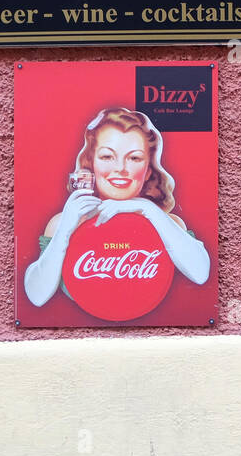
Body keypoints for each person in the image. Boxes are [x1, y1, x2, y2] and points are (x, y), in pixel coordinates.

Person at [24, 107, 210, 307]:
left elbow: (200, 274)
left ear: (147, 170)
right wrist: (65, 231)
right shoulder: (63, 222)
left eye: (134, 158)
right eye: (107, 157)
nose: (120, 168)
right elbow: (36, 296)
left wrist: (146, 208)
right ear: (91, 163)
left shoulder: (169, 223)